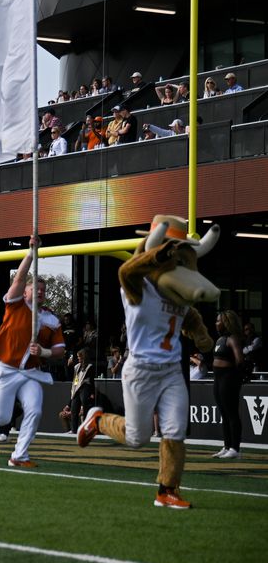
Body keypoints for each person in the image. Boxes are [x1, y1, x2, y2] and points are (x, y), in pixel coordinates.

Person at [77, 217, 217, 508]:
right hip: (141, 369)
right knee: (136, 437)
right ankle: (99, 420)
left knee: (175, 430)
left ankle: (167, 489)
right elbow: (125, 271)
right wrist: (156, 255)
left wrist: (202, 335)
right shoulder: (139, 287)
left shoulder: (176, 292)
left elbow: (188, 315)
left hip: (171, 371)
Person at [0, 236, 65, 467]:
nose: (39, 293)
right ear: (26, 292)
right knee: (2, 417)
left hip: (30, 372)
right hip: (5, 368)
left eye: (42, 290)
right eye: (35, 289)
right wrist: (31, 253)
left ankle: (20, 456)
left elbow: (60, 349)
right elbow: (19, 278)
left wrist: (45, 352)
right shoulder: (16, 304)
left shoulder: (51, 319)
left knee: (35, 410)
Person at [210, 310, 245, 460]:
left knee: (231, 414)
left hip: (228, 378)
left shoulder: (233, 339)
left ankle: (235, 448)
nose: (216, 323)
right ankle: (226, 446)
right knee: (224, 414)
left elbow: (240, 360)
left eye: (219, 321)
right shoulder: (220, 340)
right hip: (218, 379)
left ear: (226, 323)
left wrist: (237, 377)